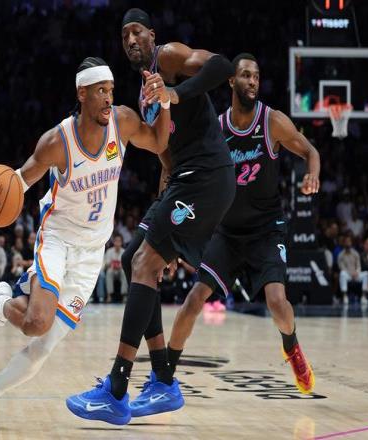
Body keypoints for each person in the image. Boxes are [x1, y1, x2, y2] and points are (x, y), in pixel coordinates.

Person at [0, 56, 172, 432]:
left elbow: (159, 141)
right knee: (36, 323)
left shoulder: (123, 122)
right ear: (82, 94)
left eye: (111, 90)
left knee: (43, 348)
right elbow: (18, 181)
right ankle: (1, 305)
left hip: (92, 253)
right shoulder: (57, 141)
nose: (108, 98)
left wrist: (166, 101)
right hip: (58, 239)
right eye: (100, 91)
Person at [66, 8, 235, 424]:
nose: (130, 40)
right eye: (124, 35)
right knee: (133, 259)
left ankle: (117, 387)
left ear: (151, 35)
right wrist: (164, 199)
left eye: (136, 32)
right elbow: (164, 148)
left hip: (208, 176)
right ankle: (162, 380)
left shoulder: (169, 56)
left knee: (144, 263)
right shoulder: (144, 90)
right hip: (183, 180)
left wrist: (175, 93)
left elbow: (222, 65)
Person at [165, 53, 320, 403]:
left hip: (266, 229)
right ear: (231, 81)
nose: (252, 81)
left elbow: (310, 151)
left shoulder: (272, 121)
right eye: (246, 75)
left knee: (277, 302)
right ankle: (165, 373)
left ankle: (292, 347)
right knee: (194, 299)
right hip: (227, 232)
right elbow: (191, 180)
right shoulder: (216, 129)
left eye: (256, 76)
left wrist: (313, 173)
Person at [338, 235, 368, 305]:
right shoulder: (340, 255)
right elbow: (342, 267)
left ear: (351, 243)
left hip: (356, 274)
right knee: (342, 274)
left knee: (366, 274)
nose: (347, 243)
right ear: (344, 243)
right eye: (346, 242)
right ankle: (345, 296)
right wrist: (351, 273)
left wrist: (357, 272)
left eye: (349, 241)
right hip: (348, 275)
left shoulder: (355, 253)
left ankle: (363, 296)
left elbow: (358, 266)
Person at [104, 233, 128, 301]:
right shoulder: (109, 251)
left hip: (120, 270)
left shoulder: (124, 251)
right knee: (109, 272)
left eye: (119, 241)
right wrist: (112, 264)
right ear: (114, 242)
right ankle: (109, 295)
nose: (117, 243)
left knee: (124, 272)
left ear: (121, 242)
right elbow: (106, 263)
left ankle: (124, 295)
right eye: (116, 241)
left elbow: (125, 264)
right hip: (112, 269)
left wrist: (119, 265)